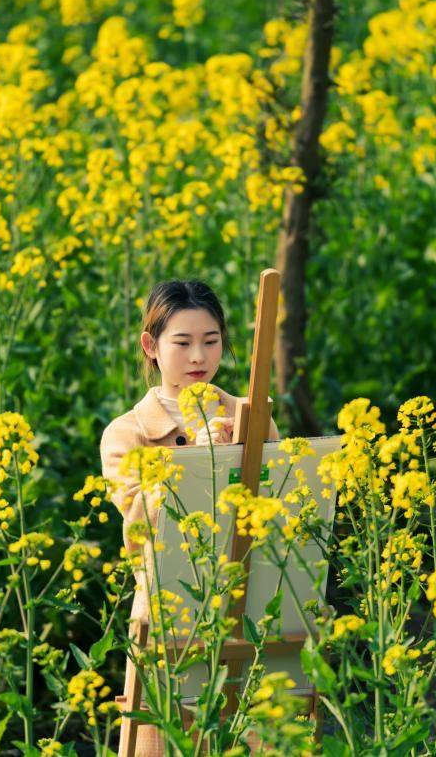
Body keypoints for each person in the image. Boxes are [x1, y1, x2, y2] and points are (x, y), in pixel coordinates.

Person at [100, 279, 279, 756]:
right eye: (182, 342)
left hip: (247, 605)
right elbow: (138, 526)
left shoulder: (249, 416)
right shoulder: (128, 432)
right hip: (167, 611)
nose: (198, 356)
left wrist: (239, 453)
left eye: (211, 340)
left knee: (249, 738)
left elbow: (282, 507)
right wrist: (196, 465)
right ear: (151, 347)